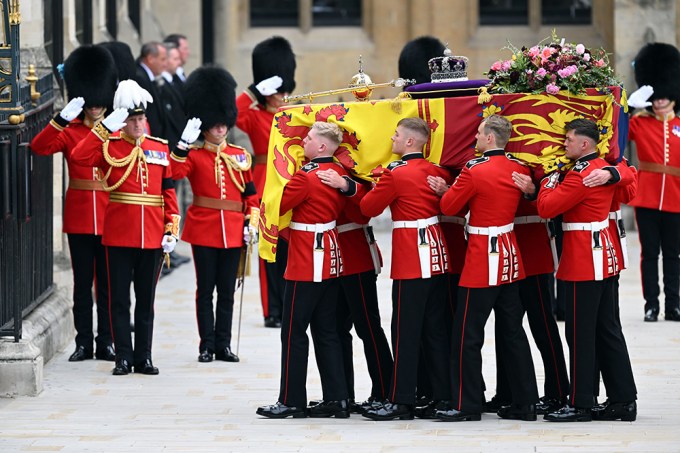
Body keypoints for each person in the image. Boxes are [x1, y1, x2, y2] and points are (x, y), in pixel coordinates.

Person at [71, 80, 182, 376]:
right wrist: (104, 129)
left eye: (140, 119)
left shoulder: (159, 148)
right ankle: (123, 356)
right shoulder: (109, 146)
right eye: (132, 119)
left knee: (146, 302)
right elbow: (79, 156)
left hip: (152, 236)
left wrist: (171, 228)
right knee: (119, 300)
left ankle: (143, 356)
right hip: (120, 235)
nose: (137, 124)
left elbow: (168, 193)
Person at [435, 114, 539, 422]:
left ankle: (466, 405)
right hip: (509, 256)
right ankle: (525, 403)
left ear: (490, 138)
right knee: (513, 332)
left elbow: (450, 208)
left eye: (480, 134)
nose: (476, 138)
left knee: (467, 335)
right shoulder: (519, 168)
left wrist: (445, 191)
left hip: (482, 257)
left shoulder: (474, 169)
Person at [538, 118, 637, 422]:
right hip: (602, 255)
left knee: (580, 333)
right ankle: (623, 399)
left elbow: (546, 208)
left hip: (584, 259)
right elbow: (628, 177)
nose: (564, 143)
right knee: (607, 329)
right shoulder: (599, 170)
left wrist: (548, 180)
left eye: (568, 139)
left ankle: (580, 402)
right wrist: (614, 172)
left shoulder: (581, 175)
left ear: (584, 144)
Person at [256, 122, 350, 419]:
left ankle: (292, 400)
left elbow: (278, 205)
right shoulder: (339, 174)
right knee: (326, 331)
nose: (303, 142)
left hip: (306, 258)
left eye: (308, 139)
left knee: (293, 331)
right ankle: (337, 399)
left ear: (321, 147)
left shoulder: (305, 177)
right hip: (330, 255)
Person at [360, 117, 451, 421]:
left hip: (412, 256)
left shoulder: (395, 174)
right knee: (436, 330)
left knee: (404, 331)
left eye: (397, 135)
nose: (393, 139)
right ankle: (441, 396)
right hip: (437, 255)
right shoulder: (435, 171)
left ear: (410, 142)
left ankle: (402, 400)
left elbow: (368, 209)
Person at [30, 45, 117, 363]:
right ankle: (85, 343)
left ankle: (106, 340)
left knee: (107, 285)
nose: (95, 108)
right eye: (90, 103)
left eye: (99, 102)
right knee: (82, 285)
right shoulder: (71, 131)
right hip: (80, 214)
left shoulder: (116, 129)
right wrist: (59, 119)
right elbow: (40, 148)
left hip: (111, 215)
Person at [170, 66, 259, 363]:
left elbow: (250, 195)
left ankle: (224, 344)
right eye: (215, 125)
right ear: (206, 126)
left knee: (227, 292)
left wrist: (251, 223)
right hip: (204, 229)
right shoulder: (195, 155)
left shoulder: (239, 156)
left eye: (223, 124)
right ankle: (206, 344)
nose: (220, 129)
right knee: (205, 290)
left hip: (234, 230)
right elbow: (174, 172)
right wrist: (182, 145)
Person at [316, 169, 393, 414]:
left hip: (356, 255)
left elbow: (367, 208)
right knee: (337, 329)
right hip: (334, 256)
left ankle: (385, 390)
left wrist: (346, 184)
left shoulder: (355, 171)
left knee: (368, 327)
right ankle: (342, 395)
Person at [236, 36, 296, 328]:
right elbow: (233, 114)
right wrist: (253, 90)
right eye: (276, 90)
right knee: (267, 250)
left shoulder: (295, 114)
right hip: (263, 183)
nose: (281, 94)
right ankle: (271, 310)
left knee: (290, 248)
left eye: (284, 89)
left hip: (291, 184)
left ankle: (289, 305)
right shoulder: (255, 115)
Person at [626, 42, 680, 322]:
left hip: (676, 197)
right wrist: (626, 108)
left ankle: (673, 304)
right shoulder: (639, 122)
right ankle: (651, 305)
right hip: (646, 195)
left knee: (673, 255)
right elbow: (615, 135)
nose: (659, 100)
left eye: (664, 95)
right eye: (655, 95)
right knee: (650, 255)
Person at [134, 41, 168, 139]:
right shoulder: (140, 77)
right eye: (163, 59)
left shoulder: (146, 76)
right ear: (150, 58)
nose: (165, 64)